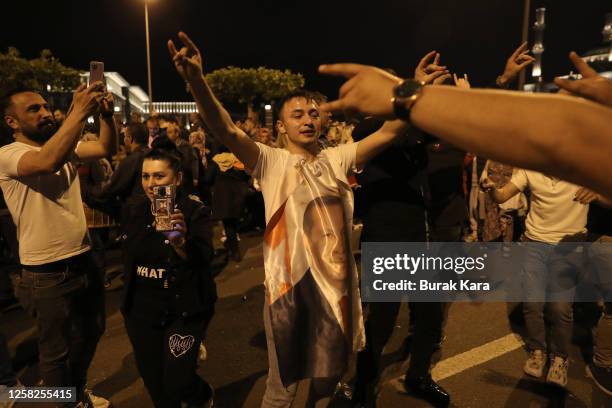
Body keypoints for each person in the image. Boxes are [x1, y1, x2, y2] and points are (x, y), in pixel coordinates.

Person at [167, 31, 409, 407]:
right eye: (297, 115)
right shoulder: (271, 161)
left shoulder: (338, 158)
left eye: (314, 113)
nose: (307, 120)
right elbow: (225, 128)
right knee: (283, 389)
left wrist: (411, 89)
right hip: (288, 293)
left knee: (330, 378)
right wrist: (196, 79)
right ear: (280, 126)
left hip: (338, 290)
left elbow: (393, 129)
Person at [317, 51, 612, 199]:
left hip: (434, 224)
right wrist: (409, 92)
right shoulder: (368, 132)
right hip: (392, 231)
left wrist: (403, 94)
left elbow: (565, 134)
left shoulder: (420, 122)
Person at [0, 82, 116, 406]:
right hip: (46, 271)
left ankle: (74, 393)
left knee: (92, 332)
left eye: (45, 106)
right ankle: (64, 401)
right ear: (11, 122)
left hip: (84, 258)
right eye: (33, 109)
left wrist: (106, 116)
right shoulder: (8, 155)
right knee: (56, 352)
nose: (45, 112)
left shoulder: (60, 146)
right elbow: (45, 162)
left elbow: (106, 146)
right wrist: (79, 111)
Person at [120, 139, 216, 408]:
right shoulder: (134, 210)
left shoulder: (195, 211)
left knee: (178, 383)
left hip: (183, 311)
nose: (151, 184)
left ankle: (202, 395)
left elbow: (204, 258)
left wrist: (179, 242)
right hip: (141, 312)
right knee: (156, 386)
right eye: (145, 176)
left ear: (178, 178)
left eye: (159, 175)